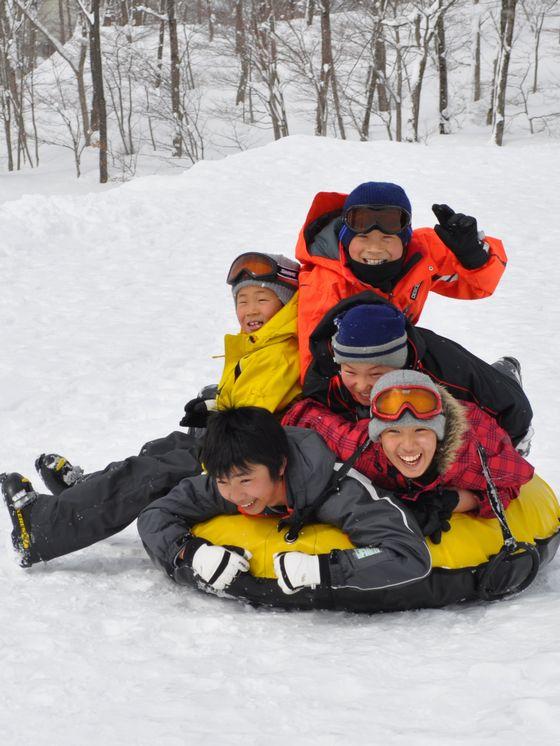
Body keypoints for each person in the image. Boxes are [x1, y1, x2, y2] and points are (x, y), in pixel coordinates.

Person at [2, 253, 301, 567]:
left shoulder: (280, 354)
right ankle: (85, 490)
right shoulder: (260, 343)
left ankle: (40, 529)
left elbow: (250, 426)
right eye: (242, 301)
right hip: (236, 445)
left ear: (285, 303)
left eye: (262, 299)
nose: (250, 309)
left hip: (244, 465)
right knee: (164, 446)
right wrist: (212, 407)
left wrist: (216, 419)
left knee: (151, 473)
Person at [137, 407, 431, 596]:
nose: (235, 495)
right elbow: (157, 514)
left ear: (279, 467)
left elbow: (408, 555)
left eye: (245, 480)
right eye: (223, 481)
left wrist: (325, 569)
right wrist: (190, 553)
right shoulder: (227, 479)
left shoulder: (340, 491)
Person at [283, 370, 535, 541]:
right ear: (378, 437)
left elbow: (512, 487)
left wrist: (453, 501)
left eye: (421, 431)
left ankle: (505, 371)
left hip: (485, 424)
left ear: (437, 433)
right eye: (393, 432)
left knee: (508, 409)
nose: (408, 446)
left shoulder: (472, 454)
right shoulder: (362, 448)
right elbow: (307, 415)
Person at [295, 181, 508, 378]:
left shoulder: (422, 251)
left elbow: (479, 286)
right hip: (354, 375)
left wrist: (473, 256)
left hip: (400, 353)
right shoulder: (324, 285)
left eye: (387, 238)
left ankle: (500, 386)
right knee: (425, 345)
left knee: (435, 349)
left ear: (405, 240)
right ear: (345, 239)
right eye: (363, 237)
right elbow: (314, 366)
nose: (375, 249)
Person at [302, 294, 533, 451]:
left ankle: (506, 370)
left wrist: (509, 446)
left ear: (400, 364)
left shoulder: (443, 368)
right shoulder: (326, 370)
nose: (361, 385)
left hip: (485, 392)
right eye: (350, 372)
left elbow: (514, 407)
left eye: (375, 374)